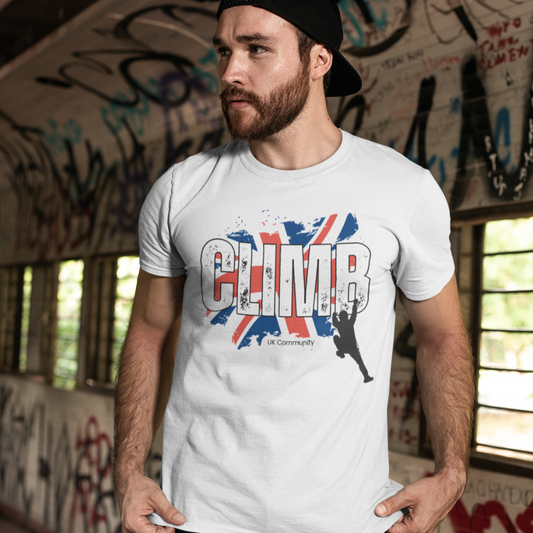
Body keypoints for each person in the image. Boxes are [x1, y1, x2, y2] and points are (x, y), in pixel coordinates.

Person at [113, 1, 475, 532]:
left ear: (319, 60)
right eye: (223, 51)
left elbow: (442, 335)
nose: (230, 72)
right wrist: (127, 470)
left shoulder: (403, 190)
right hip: (195, 519)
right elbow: (148, 332)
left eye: (256, 49)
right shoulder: (181, 190)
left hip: (348, 520)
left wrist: (453, 471)